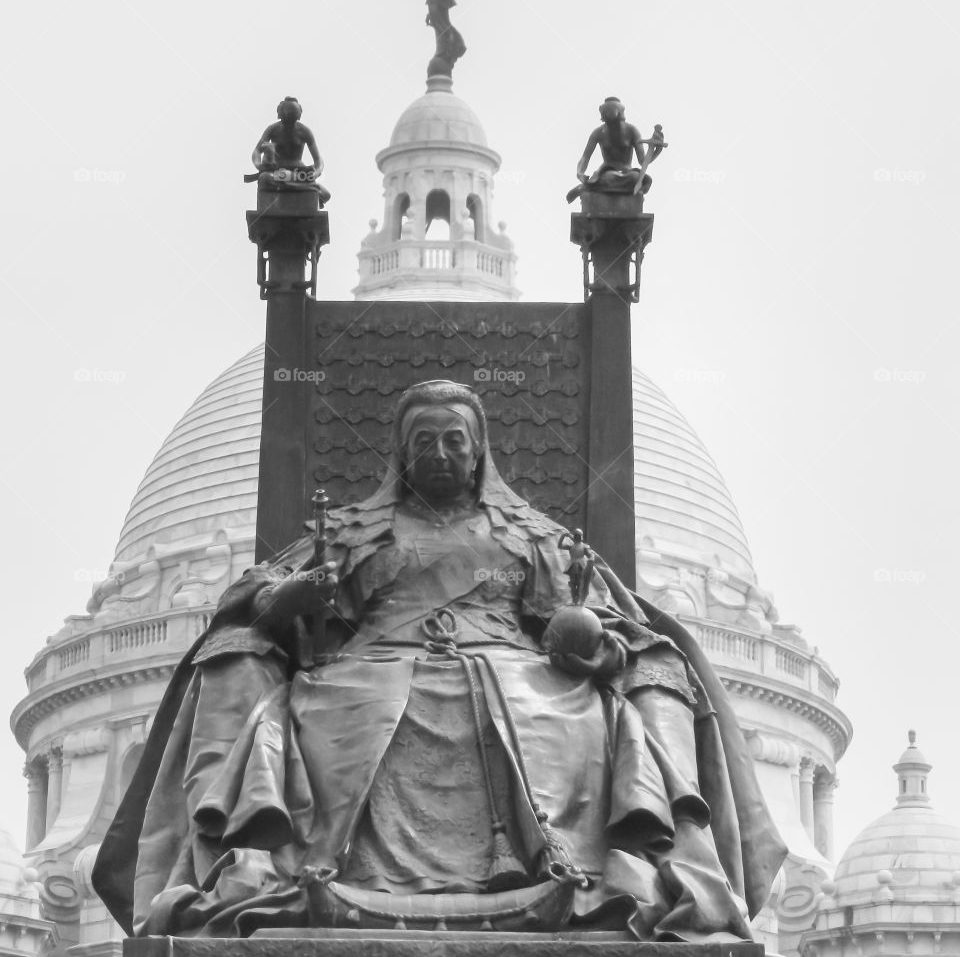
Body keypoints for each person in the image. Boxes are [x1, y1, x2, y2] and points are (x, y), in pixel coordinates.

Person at [94, 380, 784, 940]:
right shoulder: (354, 530)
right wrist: (291, 595)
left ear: (480, 451)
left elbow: (599, 621)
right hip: (370, 668)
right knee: (323, 701)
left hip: (516, 671)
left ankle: (610, 867)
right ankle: (278, 868)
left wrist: (585, 637)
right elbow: (251, 599)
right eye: (424, 441)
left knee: (577, 709)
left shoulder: (532, 537)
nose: (442, 453)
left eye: (456, 440)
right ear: (401, 452)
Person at [566, 98, 665, 203]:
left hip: (628, 172)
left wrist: (658, 150)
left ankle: (589, 187)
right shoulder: (598, 132)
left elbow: (643, 161)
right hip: (607, 171)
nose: (611, 126)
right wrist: (580, 172)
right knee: (609, 177)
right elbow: (585, 157)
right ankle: (588, 187)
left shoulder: (632, 131)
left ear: (620, 115)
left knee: (635, 177)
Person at [250, 98, 330, 203]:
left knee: (326, 195)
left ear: (298, 116)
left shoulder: (305, 131)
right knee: (265, 178)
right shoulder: (273, 129)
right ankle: (304, 189)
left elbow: (318, 160)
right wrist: (259, 165)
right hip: (277, 172)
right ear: (280, 115)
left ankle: (297, 187)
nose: (289, 123)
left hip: (299, 174)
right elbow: (256, 152)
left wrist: (315, 173)